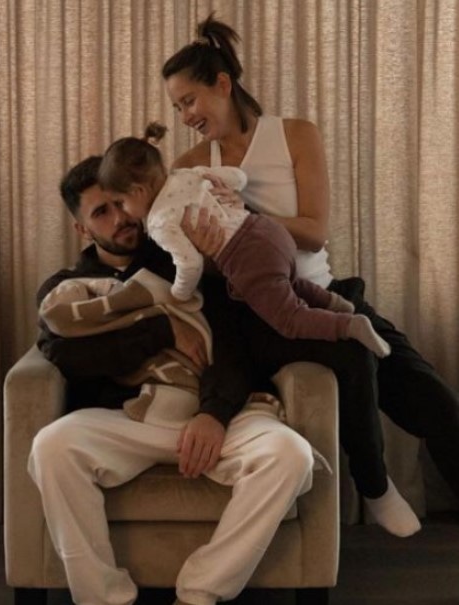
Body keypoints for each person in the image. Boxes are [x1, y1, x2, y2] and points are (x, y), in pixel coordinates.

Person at [161, 12, 459, 522]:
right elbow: (197, 258)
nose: (185, 115)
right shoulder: (189, 167)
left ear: (223, 85)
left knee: (433, 400)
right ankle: (375, 489)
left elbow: (315, 231)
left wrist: (245, 216)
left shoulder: (295, 135)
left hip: (325, 292)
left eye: (189, 100)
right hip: (258, 312)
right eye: (177, 107)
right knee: (354, 355)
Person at [28, 155, 321, 605]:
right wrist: (160, 330)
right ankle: (104, 597)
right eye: (101, 212)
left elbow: (232, 343)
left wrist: (214, 413)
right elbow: (66, 355)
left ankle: (201, 590)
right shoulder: (71, 288)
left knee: (290, 454)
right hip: (130, 419)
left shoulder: (186, 260)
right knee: (51, 446)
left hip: (213, 410)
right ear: (81, 229)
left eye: (120, 203)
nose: (120, 218)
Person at [96, 121, 391, 357]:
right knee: (288, 282)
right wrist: (224, 188)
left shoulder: (160, 222)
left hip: (248, 257)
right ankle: (337, 303)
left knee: (288, 318)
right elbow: (238, 178)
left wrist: (179, 294)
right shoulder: (187, 174)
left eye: (121, 203)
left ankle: (348, 325)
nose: (123, 213)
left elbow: (190, 264)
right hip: (267, 229)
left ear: (137, 191)